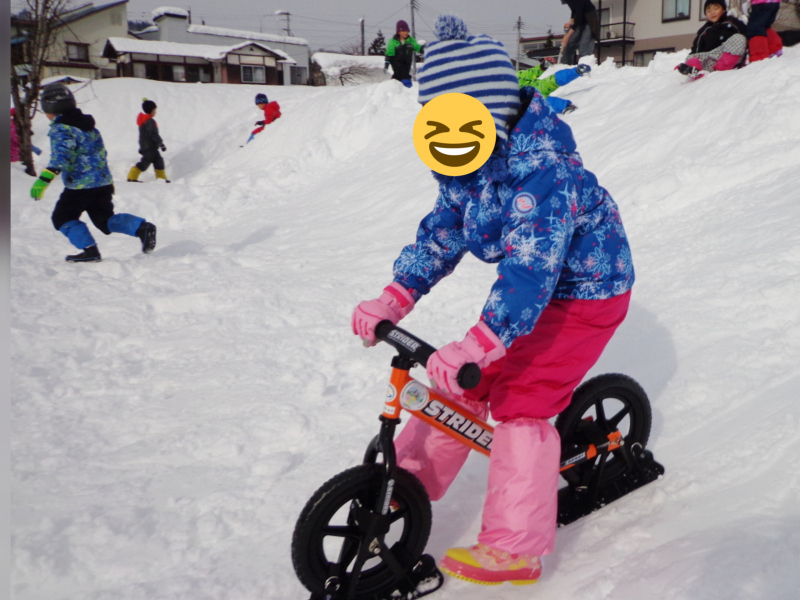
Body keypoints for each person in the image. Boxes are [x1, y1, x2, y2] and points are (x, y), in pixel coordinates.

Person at [352, 14, 634, 586]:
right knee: (462, 385)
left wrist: (482, 340)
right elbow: (442, 233)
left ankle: (515, 546)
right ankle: (405, 490)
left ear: (489, 114)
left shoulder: (543, 174)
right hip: (535, 294)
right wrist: (394, 296)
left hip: (586, 294)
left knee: (521, 403)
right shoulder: (467, 165)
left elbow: (530, 270)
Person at [30, 83, 157, 263]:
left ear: (51, 109)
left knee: (62, 217)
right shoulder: (88, 126)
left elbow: (61, 157)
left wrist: (43, 179)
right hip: (102, 183)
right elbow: (100, 153)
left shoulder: (61, 128)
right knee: (104, 220)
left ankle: (90, 251)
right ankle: (142, 227)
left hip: (80, 186)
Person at [677, 0, 747, 77]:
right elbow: (696, 49)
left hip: (728, 55)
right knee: (692, 57)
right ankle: (695, 71)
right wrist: (691, 59)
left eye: (716, 8)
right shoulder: (704, 30)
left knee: (739, 38)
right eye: (708, 10)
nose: (712, 12)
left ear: (723, 9)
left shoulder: (733, 22)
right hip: (711, 60)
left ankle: (723, 68)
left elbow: (746, 35)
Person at [517, 58, 591, 114]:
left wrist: (543, 66)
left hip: (539, 85)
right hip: (530, 98)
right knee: (544, 102)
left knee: (556, 78)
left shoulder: (514, 76)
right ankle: (566, 107)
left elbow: (530, 73)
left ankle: (577, 71)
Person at [127, 98, 169, 183]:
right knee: (145, 163)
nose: (155, 112)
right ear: (150, 110)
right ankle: (131, 177)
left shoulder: (145, 120)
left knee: (158, 161)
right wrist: (161, 143)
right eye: (154, 110)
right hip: (149, 147)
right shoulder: (150, 121)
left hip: (148, 146)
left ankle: (161, 179)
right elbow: (153, 134)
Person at [385, 19, 424, 88]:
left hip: (407, 63)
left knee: (400, 76)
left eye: (407, 31)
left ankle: (395, 89)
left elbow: (417, 46)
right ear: (398, 32)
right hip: (396, 62)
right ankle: (407, 88)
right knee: (403, 75)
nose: (405, 33)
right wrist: (387, 63)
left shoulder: (411, 41)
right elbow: (390, 52)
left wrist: (424, 49)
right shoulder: (393, 41)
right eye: (403, 31)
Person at [559, 0, 600, 65]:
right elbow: (574, 11)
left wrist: (567, 36)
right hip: (580, 23)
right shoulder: (569, 1)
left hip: (590, 23)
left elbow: (578, 18)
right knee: (568, 45)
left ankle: (585, 68)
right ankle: (565, 67)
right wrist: (570, 23)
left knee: (583, 49)